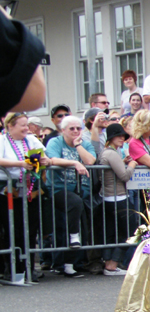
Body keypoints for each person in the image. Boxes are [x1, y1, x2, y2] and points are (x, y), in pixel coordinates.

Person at [45, 115, 97, 277]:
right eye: (71, 129)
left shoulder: (85, 143)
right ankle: (69, 245)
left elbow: (90, 161)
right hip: (58, 188)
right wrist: (74, 162)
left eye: (78, 128)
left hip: (80, 190)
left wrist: (78, 146)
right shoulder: (55, 142)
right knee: (69, 216)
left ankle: (70, 265)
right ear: (62, 131)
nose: (76, 131)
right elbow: (51, 159)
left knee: (80, 223)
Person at [0, 112, 51, 281]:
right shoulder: (2, 140)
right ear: (10, 126)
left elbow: (44, 157)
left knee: (30, 229)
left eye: (26, 124)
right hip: (9, 191)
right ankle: (13, 269)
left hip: (30, 189)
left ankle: (28, 268)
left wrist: (45, 161)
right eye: (22, 125)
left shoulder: (31, 140)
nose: (26, 128)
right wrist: (20, 163)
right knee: (12, 230)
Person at [97, 123, 139, 276]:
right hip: (118, 197)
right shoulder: (111, 153)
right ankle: (112, 264)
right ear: (111, 137)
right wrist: (132, 164)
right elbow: (124, 176)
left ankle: (109, 263)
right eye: (119, 135)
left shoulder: (107, 153)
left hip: (110, 198)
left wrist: (123, 163)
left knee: (113, 232)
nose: (122, 138)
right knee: (128, 231)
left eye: (123, 135)